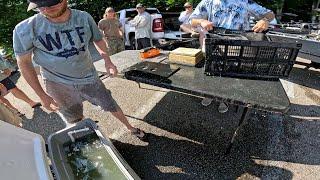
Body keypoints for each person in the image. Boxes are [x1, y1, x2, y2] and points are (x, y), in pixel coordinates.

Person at [13, 0, 145, 139]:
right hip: (57, 84)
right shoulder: (24, 29)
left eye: (51, 4)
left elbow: (98, 39)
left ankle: (130, 127)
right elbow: (24, 63)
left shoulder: (83, 17)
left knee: (110, 104)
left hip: (88, 76)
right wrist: (42, 95)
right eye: (40, 7)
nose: (46, 9)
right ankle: (87, 135)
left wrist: (108, 61)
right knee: (73, 117)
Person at [189, 0, 275, 113]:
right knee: (211, 71)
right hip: (214, 44)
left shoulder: (244, 2)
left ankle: (223, 99)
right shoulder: (207, 2)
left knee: (230, 74)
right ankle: (210, 94)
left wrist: (265, 20)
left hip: (238, 46)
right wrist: (201, 21)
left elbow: (270, 13)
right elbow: (192, 20)